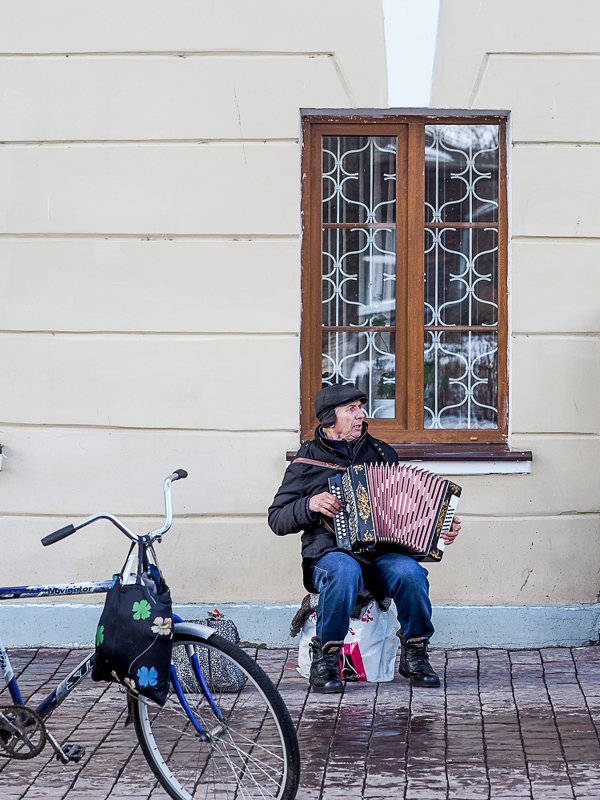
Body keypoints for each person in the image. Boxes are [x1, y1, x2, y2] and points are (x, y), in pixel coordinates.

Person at [268, 384, 461, 694]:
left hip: (378, 557)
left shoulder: (382, 454)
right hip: (328, 554)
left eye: (360, 407)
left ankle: (415, 654)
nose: (360, 415)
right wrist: (310, 505)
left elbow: (403, 512)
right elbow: (276, 518)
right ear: (330, 419)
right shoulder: (306, 463)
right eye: (352, 410)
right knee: (344, 571)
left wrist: (440, 528)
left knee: (410, 573)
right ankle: (326, 659)